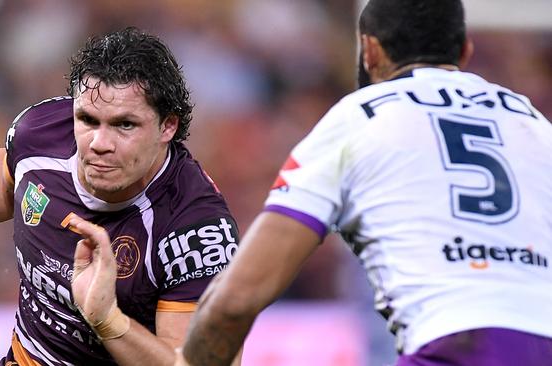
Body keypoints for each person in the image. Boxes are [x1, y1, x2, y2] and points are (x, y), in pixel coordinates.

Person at [175, 1, 552, 365]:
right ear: (464, 52)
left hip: (453, 344)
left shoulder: (361, 117)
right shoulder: (535, 125)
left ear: (369, 50)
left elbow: (234, 302)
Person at [0, 27, 239, 365]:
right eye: (87, 120)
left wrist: (108, 320)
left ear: (167, 126)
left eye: (124, 125)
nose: (99, 143)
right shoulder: (39, 137)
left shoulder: (196, 231)